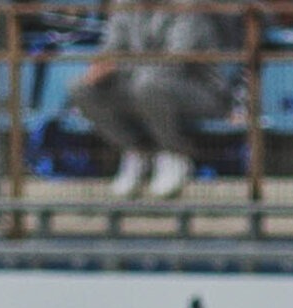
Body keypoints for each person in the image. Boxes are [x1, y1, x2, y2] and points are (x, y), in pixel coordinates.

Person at [72, 0, 228, 200]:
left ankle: (174, 154)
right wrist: (101, 66)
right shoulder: (125, 8)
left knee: (148, 83)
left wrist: (118, 66)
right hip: (139, 86)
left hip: (198, 92)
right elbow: (111, 49)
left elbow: (175, 61)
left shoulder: (187, 9)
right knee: (81, 89)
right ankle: (137, 150)